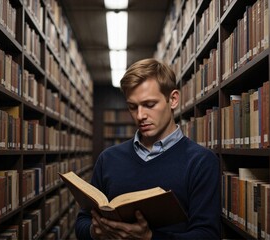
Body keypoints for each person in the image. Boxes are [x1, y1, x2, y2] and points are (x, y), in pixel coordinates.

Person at [75, 58, 221, 239]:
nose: (140, 115)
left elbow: (207, 234)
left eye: (149, 105)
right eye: (132, 107)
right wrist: (95, 232)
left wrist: (149, 238)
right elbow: (82, 222)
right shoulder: (108, 159)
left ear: (173, 99)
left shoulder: (201, 161)